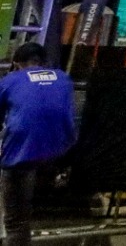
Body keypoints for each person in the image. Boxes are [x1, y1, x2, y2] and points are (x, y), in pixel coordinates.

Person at [0, 43, 78, 246]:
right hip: (62, 154)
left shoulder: (11, 80)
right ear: (43, 62)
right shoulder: (63, 78)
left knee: (16, 222)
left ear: (17, 63)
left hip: (22, 158)